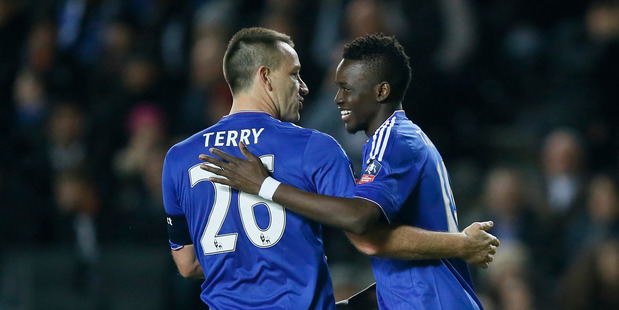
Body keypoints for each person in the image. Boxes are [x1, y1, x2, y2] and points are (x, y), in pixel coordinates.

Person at [200, 33, 497, 309]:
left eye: (346, 88)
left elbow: (359, 219)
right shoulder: (397, 139)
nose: (337, 98)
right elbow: (395, 255)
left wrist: (265, 186)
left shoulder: (394, 140)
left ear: (381, 91)